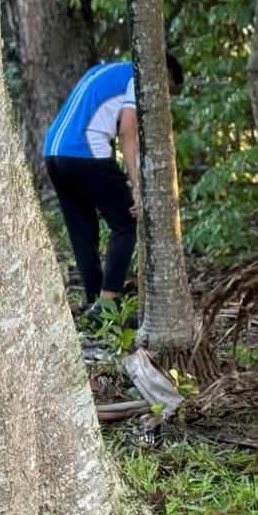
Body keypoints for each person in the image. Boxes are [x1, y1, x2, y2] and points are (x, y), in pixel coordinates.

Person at [44, 54, 184, 322]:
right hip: (85, 152)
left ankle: (94, 303)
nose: (163, 96)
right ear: (163, 74)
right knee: (127, 223)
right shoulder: (139, 76)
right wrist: (137, 185)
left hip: (53, 152)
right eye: (167, 88)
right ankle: (107, 305)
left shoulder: (103, 71)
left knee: (82, 231)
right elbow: (127, 131)